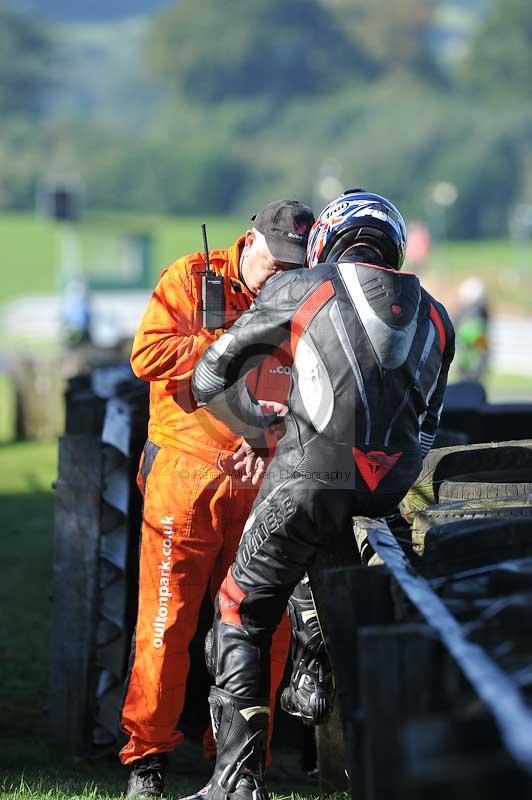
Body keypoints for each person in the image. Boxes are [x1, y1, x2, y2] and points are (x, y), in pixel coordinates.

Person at [188, 189, 455, 800]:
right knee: (348, 594)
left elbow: (208, 376)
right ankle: (315, 666)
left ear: (326, 241)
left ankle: (235, 783)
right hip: (386, 494)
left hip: (306, 483)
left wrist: (262, 427)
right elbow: (429, 425)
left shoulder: (301, 285)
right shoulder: (439, 313)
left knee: (239, 611)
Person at [121, 200, 316, 799]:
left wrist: (273, 441)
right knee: (166, 623)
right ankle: (146, 761)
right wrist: (224, 344)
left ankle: (237, 758)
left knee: (261, 626)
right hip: (184, 480)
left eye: (294, 266)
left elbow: (316, 387)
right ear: (249, 240)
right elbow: (146, 355)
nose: (281, 275)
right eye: (276, 262)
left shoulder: (303, 294)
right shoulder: (188, 278)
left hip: (260, 480)